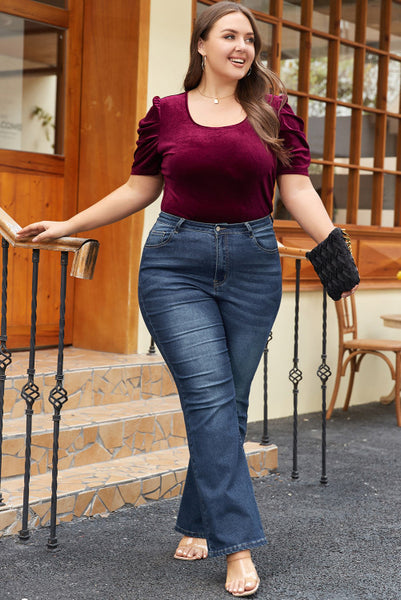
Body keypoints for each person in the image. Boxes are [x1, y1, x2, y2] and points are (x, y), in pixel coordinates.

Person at [17, 2, 357, 596]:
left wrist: (334, 249)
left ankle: (198, 519)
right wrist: (67, 225)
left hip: (253, 261)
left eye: (249, 39)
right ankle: (238, 544)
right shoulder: (167, 114)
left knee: (230, 399)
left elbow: (296, 188)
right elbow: (138, 188)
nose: (242, 47)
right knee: (208, 396)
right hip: (176, 264)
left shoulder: (273, 112)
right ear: (201, 45)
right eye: (229, 35)